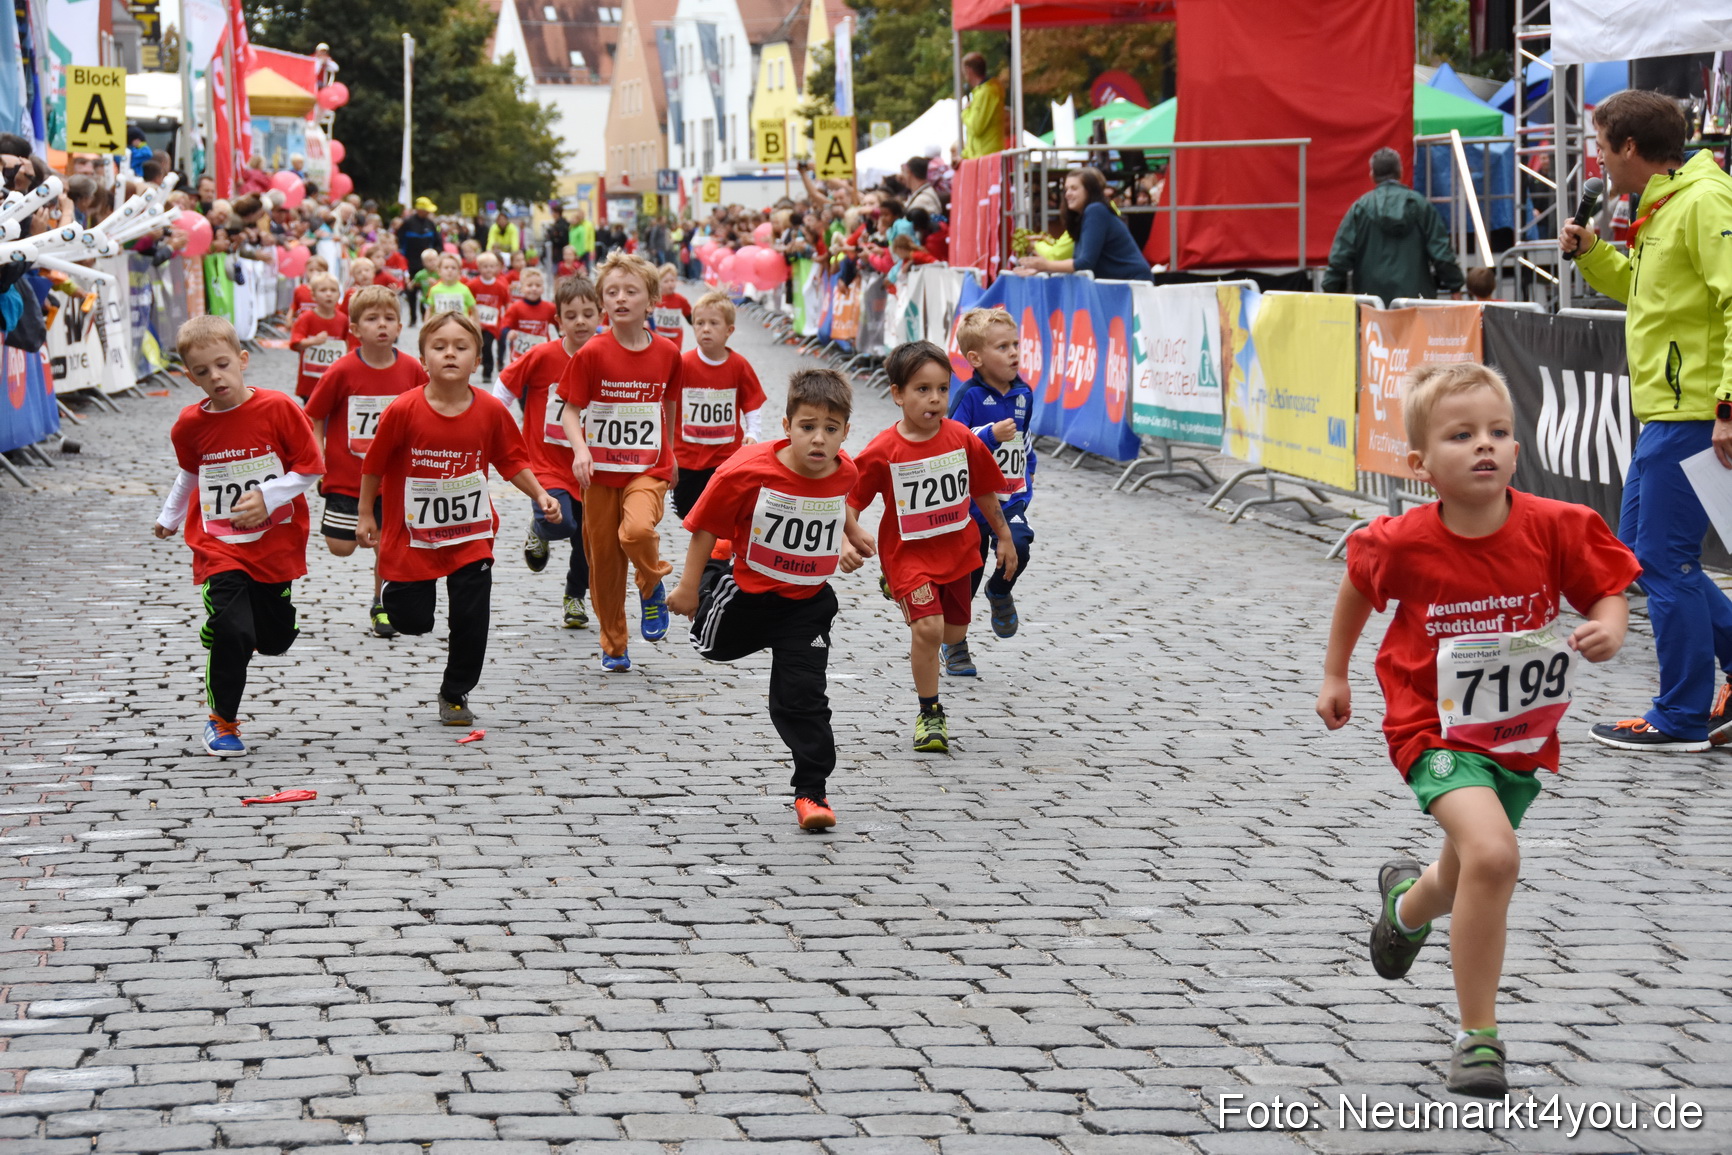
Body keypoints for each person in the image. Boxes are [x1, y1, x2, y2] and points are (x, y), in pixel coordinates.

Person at [1316, 362, 1639, 1098]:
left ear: (1517, 451)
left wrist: (1611, 626)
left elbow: (1608, 586)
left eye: (1497, 432)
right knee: (1493, 855)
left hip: (1519, 737)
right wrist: (1336, 674)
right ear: (1421, 462)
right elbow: (1358, 590)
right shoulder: (1402, 541)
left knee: (1464, 871)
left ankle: (1405, 908)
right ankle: (1478, 1037)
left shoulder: (1555, 526)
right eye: (1461, 435)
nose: (1484, 446)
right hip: (1430, 728)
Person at [1561, 89, 1732, 752]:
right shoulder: (1669, 203)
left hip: (1693, 411)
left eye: (1601, 147)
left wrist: (1726, 405)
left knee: (1663, 559)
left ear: (1630, 147)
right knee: (1643, 558)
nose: (1597, 162)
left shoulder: (1702, 200)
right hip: (1673, 409)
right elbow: (1648, 292)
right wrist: (1593, 255)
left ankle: (1681, 715)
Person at [668, 369, 872, 832]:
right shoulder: (746, 470)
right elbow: (704, 526)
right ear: (786, 425)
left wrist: (851, 532)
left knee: (803, 697)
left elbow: (832, 500)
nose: (819, 440)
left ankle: (812, 792)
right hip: (746, 595)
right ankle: (719, 573)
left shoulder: (847, 471)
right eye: (808, 427)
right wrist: (686, 587)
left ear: (845, 432)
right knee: (711, 646)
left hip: (806, 604)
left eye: (831, 429)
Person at [357, 312, 562, 726]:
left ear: (477, 361)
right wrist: (364, 514)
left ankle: (455, 692)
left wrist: (540, 493)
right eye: (439, 346)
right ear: (424, 359)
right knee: (412, 620)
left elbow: (512, 461)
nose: (450, 353)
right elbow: (374, 466)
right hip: (414, 536)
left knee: (471, 616)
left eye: (461, 346)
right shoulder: (403, 410)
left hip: (470, 534)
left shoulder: (489, 411)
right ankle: (396, 601)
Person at [152, 316, 324, 757]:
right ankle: (222, 721)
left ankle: (243, 627)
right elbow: (191, 472)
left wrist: (268, 496)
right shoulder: (189, 425)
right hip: (218, 543)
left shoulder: (279, 408)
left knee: (273, 638)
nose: (216, 377)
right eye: (203, 371)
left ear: (243, 360)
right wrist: (170, 516)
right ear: (190, 376)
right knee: (233, 630)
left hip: (274, 544)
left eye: (223, 365)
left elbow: (310, 467)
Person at [847, 341, 1016, 754]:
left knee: (953, 631)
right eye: (922, 389)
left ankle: (904, 593)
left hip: (959, 554)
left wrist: (1005, 537)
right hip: (908, 557)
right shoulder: (883, 450)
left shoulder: (962, 439)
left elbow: (983, 490)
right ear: (898, 394)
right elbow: (850, 499)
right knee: (929, 628)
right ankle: (930, 712)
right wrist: (848, 534)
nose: (935, 399)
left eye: (942, 389)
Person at [556, 252, 681, 671]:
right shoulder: (591, 353)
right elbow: (570, 411)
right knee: (605, 564)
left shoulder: (668, 352)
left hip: (648, 466)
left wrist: (670, 449)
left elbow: (668, 402)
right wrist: (581, 450)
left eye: (631, 291)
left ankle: (651, 584)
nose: (621, 298)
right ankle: (614, 645)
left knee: (638, 529)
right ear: (602, 301)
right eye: (612, 292)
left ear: (652, 300)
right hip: (601, 473)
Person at [304, 285, 430, 636]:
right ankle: (359, 534)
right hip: (348, 476)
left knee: (386, 547)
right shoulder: (342, 371)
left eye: (389, 318)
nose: (382, 325)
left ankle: (381, 604)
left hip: (394, 479)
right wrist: (318, 455)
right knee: (341, 547)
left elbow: (426, 409)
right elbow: (313, 415)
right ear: (355, 330)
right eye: (372, 319)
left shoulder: (411, 370)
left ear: (401, 325)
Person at [496, 275, 599, 628]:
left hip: (592, 468)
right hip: (546, 463)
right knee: (561, 523)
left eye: (588, 313)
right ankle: (539, 531)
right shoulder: (542, 355)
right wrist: (497, 424)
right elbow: (505, 386)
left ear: (601, 315)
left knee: (588, 542)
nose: (581, 321)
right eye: (572, 315)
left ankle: (575, 597)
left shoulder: (607, 357)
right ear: (559, 322)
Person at [947, 307, 1036, 674]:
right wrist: (988, 436)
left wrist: (1024, 487)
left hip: (1007, 499)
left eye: (1016, 344)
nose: (1014, 352)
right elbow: (951, 443)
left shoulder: (1024, 394)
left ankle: (999, 591)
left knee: (1019, 546)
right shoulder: (968, 396)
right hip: (969, 504)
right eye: (1002, 347)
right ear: (976, 358)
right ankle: (954, 644)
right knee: (964, 578)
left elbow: (1025, 445)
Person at [670, 291, 767, 518]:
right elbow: (668, 405)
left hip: (725, 457)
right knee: (687, 511)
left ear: (729, 330)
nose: (705, 329)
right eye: (699, 323)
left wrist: (753, 433)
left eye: (713, 323)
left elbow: (751, 403)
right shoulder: (683, 364)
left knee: (720, 512)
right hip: (687, 457)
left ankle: (716, 553)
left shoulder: (739, 366)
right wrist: (668, 446)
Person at [1323, 147, 1463, 304]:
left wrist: (1331, 292)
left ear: (1372, 175)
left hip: (1372, 304)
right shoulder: (1421, 206)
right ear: (1400, 172)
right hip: (1417, 301)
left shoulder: (1360, 208)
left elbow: (1340, 257)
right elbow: (1441, 253)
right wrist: (1455, 287)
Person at [1015, 167, 1151, 282]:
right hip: (1120, 284)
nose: (1067, 194)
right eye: (1066, 189)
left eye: (1074, 188)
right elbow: (1078, 260)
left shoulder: (1096, 210)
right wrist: (1040, 268)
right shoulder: (1084, 216)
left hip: (1133, 283)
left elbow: (1085, 263)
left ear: (1089, 191)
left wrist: (1046, 265)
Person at [287, 273, 349, 402]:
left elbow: (348, 344)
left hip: (334, 378)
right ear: (313, 296)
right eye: (323, 290)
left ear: (339, 295)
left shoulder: (343, 319)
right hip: (311, 380)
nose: (328, 294)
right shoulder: (306, 318)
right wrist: (313, 341)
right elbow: (295, 343)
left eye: (333, 290)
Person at [467, 252, 513, 384]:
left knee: (487, 345)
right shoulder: (473, 285)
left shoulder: (501, 286)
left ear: (497, 268)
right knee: (475, 345)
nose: (488, 269)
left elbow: (507, 303)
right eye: (485, 266)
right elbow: (468, 302)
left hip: (492, 324)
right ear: (479, 268)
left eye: (491, 266)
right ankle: (473, 364)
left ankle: (487, 371)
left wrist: (507, 318)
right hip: (475, 322)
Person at [500, 267, 559, 367]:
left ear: (543, 288)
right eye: (529, 285)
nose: (534, 288)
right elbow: (504, 326)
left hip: (542, 353)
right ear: (522, 288)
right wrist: (508, 333)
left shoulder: (550, 308)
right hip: (520, 356)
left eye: (538, 285)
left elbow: (560, 324)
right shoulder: (516, 308)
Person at [960, 52, 1006, 159]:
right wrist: (964, 155)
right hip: (983, 155)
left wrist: (965, 112)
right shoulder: (982, 92)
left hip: (987, 156)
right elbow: (974, 136)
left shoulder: (985, 93)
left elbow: (976, 128)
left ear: (968, 70)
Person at [650, 263, 693, 351]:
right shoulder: (655, 299)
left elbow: (690, 317)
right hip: (658, 337)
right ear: (659, 283)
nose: (670, 284)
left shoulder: (681, 300)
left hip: (675, 338)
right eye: (666, 281)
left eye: (672, 280)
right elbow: (647, 315)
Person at [424, 252, 476, 318]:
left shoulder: (464, 290)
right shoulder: (434, 290)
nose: (450, 270)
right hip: (440, 326)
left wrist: (474, 326)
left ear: (459, 272)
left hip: (460, 326)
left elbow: (474, 310)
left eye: (453, 268)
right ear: (439, 271)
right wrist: (426, 326)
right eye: (446, 267)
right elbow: (430, 310)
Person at [568, 206, 596, 271]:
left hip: (586, 249)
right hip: (575, 250)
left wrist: (592, 249)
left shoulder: (588, 224)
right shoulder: (572, 227)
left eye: (581, 214)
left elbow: (591, 238)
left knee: (586, 267)